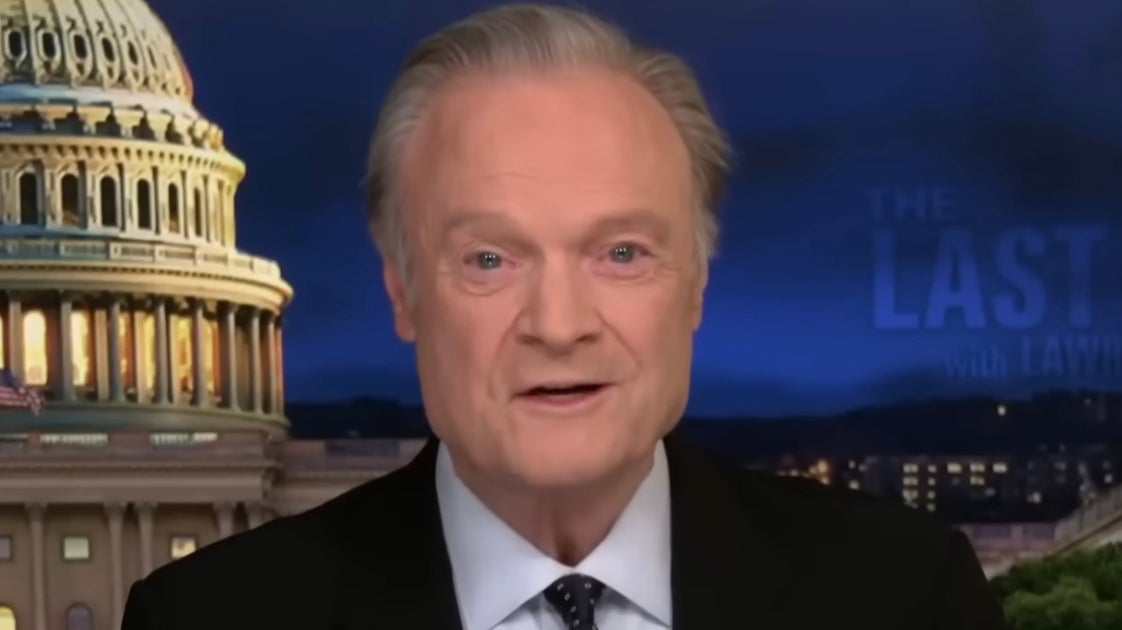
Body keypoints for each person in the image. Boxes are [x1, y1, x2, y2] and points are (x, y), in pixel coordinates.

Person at [122, 3, 1008, 629]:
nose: (558, 324)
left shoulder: (905, 597)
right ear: (402, 291)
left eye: (621, 253)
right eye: (490, 260)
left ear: (696, 284)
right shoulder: (207, 617)